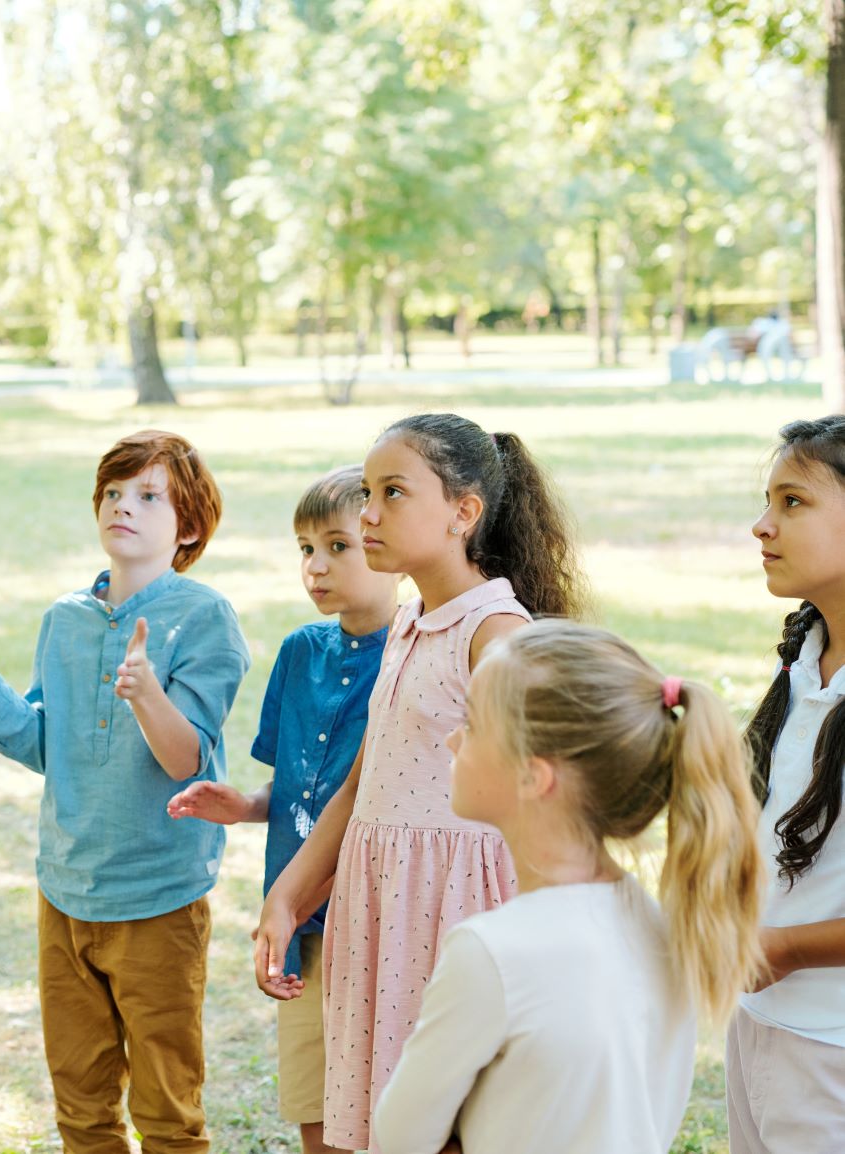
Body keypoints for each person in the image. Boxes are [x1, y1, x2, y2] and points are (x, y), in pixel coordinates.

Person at [0, 430, 250, 1154]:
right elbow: (39, 742)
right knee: (80, 1105)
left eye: (149, 496)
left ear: (189, 528)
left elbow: (187, 761)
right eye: (113, 492)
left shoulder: (205, 619)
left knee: (168, 1112)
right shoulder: (66, 619)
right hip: (65, 895)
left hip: (158, 902)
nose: (124, 506)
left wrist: (147, 693)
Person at [254, 413, 586, 1152]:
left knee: (452, 1121)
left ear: (463, 513)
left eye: (393, 493)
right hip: (379, 904)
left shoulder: (495, 633)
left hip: (454, 910)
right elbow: (359, 785)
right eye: (368, 492)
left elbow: (542, 804)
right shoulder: (406, 624)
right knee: (381, 1115)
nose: (369, 513)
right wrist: (288, 896)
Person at [372, 621, 764, 1154]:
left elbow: (399, 1137)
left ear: (535, 776)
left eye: (472, 722)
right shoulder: (662, 923)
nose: (452, 738)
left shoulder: (492, 953)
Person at [166, 465, 398, 1154]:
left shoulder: (414, 654)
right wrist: (243, 805)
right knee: (315, 1103)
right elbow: (298, 792)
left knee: (389, 1105)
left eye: (337, 546)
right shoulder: (300, 652)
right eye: (305, 549)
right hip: (300, 929)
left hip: (380, 923)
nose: (316, 566)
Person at [734, 415, 845, 1152]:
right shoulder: (804, 661)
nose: (761, 526)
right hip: (759, 1022)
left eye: (793, 502)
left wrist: (788, 950)